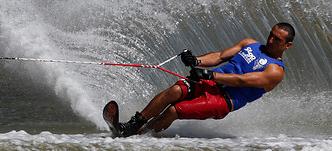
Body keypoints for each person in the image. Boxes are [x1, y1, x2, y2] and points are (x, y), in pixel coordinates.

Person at [117, 22, 295, 137]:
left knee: (173, 111)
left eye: (277, 39)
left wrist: (211, 75)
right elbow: (219, 56)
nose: (270, 40)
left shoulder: (275, 71)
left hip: (225, 100)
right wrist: (196, 61)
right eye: (271, 34)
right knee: (175, 91)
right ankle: (133, 125)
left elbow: (242, 81)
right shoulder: (250, 44)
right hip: (212, 82)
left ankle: (140, 134)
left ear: (287, 45)